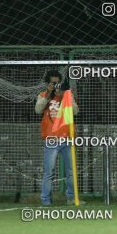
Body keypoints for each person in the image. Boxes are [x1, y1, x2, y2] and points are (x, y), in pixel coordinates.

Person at [35, 70, 79, 206]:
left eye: (57, 83)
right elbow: (38, 110)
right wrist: (49, 94)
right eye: (53, 83)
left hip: (67, 137)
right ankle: (46, 201)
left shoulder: (66, 95)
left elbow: (75, 111)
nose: (55, 85)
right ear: (48, 84)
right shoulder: (43, 95)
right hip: (51, 138)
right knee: (49, 171)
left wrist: (67, 95)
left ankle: (71, 198)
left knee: (71, 171)